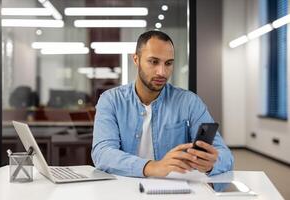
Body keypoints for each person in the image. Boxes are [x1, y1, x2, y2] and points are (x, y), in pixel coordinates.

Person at [91, 30, 234, 177]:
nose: (162, 72)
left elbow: (225, 156)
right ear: (136, 60)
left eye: (168, 63)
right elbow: (102, 153)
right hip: (126, 188)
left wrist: (211, 164)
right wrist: (152, 167)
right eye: (154, 62)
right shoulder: (111, 100)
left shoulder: (189, 102)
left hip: (175, 189)